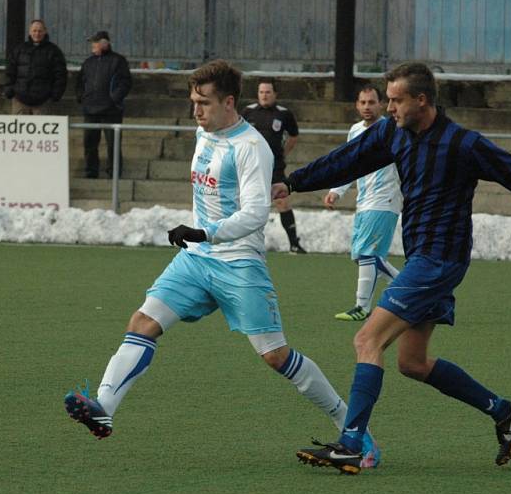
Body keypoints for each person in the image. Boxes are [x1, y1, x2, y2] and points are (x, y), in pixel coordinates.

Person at [63, 60, 381, 468]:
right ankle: (104, 407)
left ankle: (353, 429)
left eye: (204, 103)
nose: (196, 111)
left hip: (239, 262)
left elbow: (254, 212)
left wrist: (204, 232)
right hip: (196, 259)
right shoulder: (204, 132)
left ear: (229, 102)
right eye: (193, 101)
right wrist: (200, 239)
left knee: (276, 355)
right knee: (142, 322)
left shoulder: (252, 148)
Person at [273, 62, 511, 474]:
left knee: (366, 340)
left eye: (395, 100)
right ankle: (504, 413)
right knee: (412, 362)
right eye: (387, 99)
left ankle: (352, 443)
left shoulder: (463, 144)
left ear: (421, 100)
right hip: (423, 259)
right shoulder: (394, 133)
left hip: (439, 261)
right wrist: (295, 182)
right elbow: (348, 159)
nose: (387, 107)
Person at [324, 85, 402, 321]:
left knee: (368, 254)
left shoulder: (392, 130)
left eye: (372, 102)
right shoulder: (355, 130)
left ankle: (362, 307)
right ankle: (417, 294)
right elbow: (350, 164)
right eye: (363, 102)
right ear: (357, 105)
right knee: (366, 257)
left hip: (384, 200)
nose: (367, 107)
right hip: (364, 200)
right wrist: (337, 190)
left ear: (381, 104)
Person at [241, 78, 306, 254]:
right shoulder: (248, 112)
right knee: (248, 203)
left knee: (282, 201)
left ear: (275, 94)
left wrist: (282, 154)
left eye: (268, 92)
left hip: (275, 166)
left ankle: (294, 243)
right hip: (251, 166)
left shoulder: (284, 114)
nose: (264, 95)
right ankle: (244, 244)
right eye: (261, 92)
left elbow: (293, 136)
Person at [76, 31, 132, 178]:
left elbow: (125, 82)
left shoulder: (118, 61)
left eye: (96, 42)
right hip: (90, 109)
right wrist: (82, 97)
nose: (93, 46)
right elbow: (80, 81)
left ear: (105, 43)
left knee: (113, 144)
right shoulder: (89, 62)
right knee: (90, 143)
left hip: (111, 110)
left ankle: (114, 173)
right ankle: (91, 171)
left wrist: (114, 98)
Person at [3, 19, 67, 115]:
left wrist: (55, 94)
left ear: (45, 31)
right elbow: (10, 71)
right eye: (34, 30)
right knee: (19, 129)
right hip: (20, 100)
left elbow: (61, 75)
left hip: (43, 102)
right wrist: (9, 90)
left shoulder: (54, 51)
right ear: (30, 32)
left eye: (40, 31)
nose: (37, 33)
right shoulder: (19, 49)